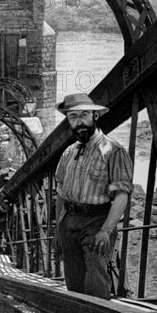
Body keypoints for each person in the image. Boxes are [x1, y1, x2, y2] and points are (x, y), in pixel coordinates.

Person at [54, 94, 133, 300]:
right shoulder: (68, 153)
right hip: (69, 222)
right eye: (73, 117)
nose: (79, 121)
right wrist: (57, 230)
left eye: (84, 115)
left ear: (95, 116)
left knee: (96, 283)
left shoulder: (113, 151)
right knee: (73, 282)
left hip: (97, 222)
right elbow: (61, 193)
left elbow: (122, 195)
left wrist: (106, 231)